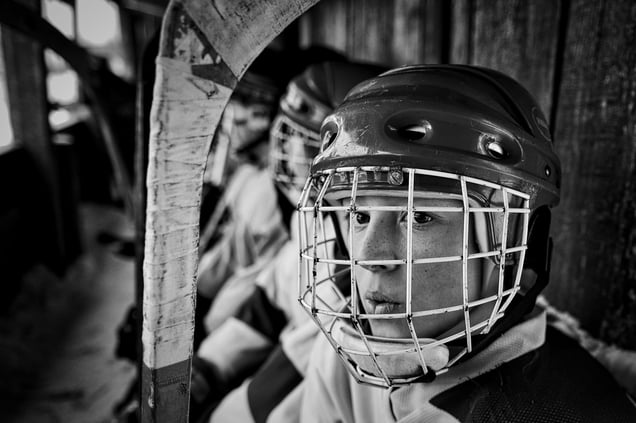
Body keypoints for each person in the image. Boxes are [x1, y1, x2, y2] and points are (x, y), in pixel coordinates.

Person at [296, 65, 636, 422]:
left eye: (418, 218)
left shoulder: (553, 411)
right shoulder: (344, 352)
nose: (368, 256)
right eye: (359, 216)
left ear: (516, 241)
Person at [189, 60, 387, 423]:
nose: (294, 158)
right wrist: (211, 362)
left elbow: (302, 369)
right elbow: (270, 300)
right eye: (289, 137)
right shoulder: (311, 216)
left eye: (310, 143)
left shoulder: (363, 259)